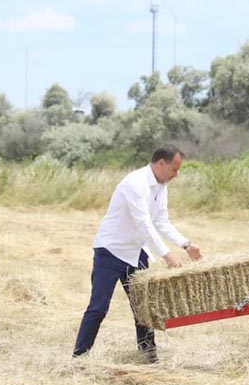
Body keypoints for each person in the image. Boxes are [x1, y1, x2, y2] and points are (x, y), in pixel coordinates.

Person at [73, 144, 202, 362]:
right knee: (98, 307)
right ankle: (79, 359)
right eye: (174, 169)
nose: (176, 175)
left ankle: (149, 358)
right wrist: (166, 255)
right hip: (111, 251)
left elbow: (160, 221)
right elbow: (144, 223)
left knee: (143, 309)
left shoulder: (161, 186)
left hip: (136, 253)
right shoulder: (135, 183)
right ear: (161, 163)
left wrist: (186, 244)